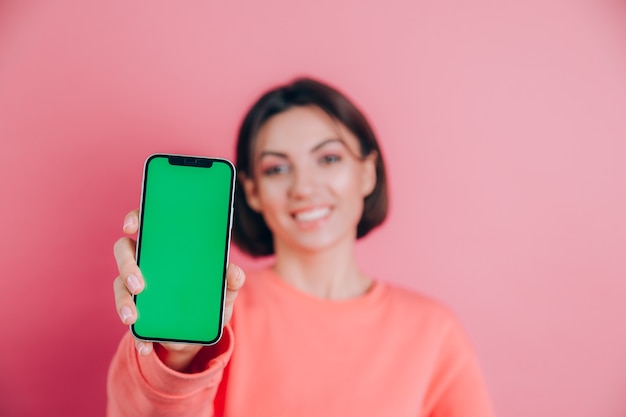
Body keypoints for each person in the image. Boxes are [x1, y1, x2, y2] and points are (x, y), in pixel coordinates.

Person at [108, 77, 494, 416]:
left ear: (367, 172)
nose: (304, 187)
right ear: (253, 192)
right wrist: (176, 357)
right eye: (277, 168)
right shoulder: (216, 312)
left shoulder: (433, 331)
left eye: (328, 158)